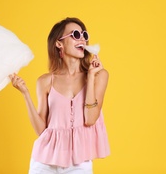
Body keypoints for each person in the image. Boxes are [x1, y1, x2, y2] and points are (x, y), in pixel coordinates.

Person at [10, 17, 110, 174]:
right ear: (59, 43)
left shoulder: (99, 76)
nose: (82, 38)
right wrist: (25, 94)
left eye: (84, 34)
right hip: (44, 162)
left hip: (79, 162)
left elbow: (90, 119)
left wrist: (90, 78)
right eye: (75, 34)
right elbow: (41, 131)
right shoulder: (45, 81)